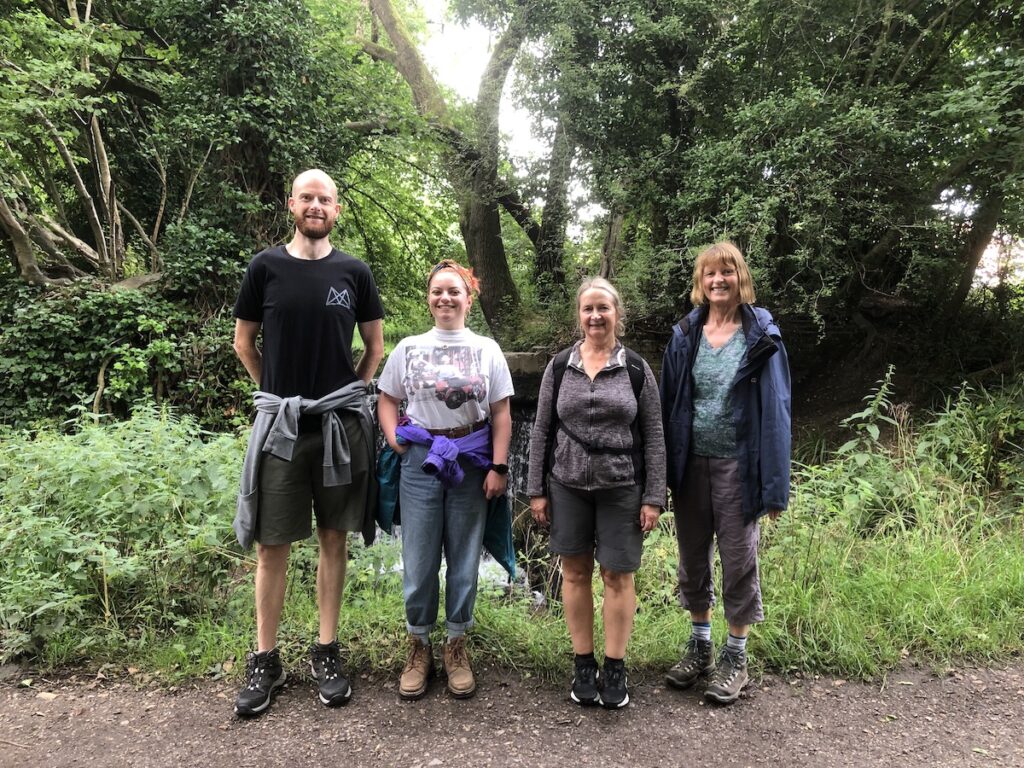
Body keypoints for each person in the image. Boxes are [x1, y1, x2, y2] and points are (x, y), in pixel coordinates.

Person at [231, 169, 385, 717]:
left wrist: (351, 394)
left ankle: (326, 650)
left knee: (332, 540)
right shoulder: (264, 268)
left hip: (339, 427)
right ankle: (265, 659)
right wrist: (274, 396)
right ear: (290, 203)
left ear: (336, 209)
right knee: (272, 546)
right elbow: (244, 343)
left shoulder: (354, 272)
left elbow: (373, 347)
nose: (316, 206)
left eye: (325, 199)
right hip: (282, 428)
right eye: (307, 197)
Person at [660, 241, 791, 705]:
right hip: (691, 464)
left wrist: (775, 486)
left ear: (741, 279)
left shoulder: (762, 335)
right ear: (700, 282)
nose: (718, 281)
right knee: (692, 558)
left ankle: (736, 656)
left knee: (738, 561)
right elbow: (667, 407)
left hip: (740, 467)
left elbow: (776, 412)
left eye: (727, 273)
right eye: (710, 274)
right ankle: (700, 644)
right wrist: (661, 477)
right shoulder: (683, 336)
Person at [526, 277, 666, 710]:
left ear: (616, 314)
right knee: (574, 573)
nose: (595, 316)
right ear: (579, 315)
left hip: (622, 486)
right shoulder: (558, 366)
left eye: (603, 308)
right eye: (588, 309)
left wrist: (653, 496)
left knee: (618, 576)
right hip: (565, 485)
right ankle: (583, 663)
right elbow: (542, 428)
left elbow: (655, 435)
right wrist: (536, 490)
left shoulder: (637, 369)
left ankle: (615, 666)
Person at [377, 259, 513, 701]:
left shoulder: (487, 349)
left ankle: (456, 644)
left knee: (464, 557)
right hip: (420, 461)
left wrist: (498, 467)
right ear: (429, 298)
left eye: (454, 291)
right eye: (438, 291)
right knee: (417, 560)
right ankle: (419, 645)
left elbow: (501, 413)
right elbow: (386, 398)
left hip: (471, 461)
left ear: (468, 298)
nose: (445, 298)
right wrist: (395, 441)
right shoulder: (408, 348)